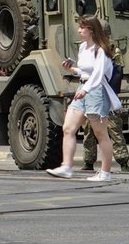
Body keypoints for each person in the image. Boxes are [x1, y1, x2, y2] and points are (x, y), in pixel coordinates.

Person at [46, 15, 121, 181]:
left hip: (96, 91)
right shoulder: (82, 48)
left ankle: (105, 173)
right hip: (83, 88)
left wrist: (86, 89)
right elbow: (85, 71)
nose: (79, 30)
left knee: (100, 133)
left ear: (91, 30)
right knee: (68, 128)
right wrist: (73, 69)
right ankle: (66, 167)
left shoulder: (100, 50)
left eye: (82, 27)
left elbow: (98, 74)